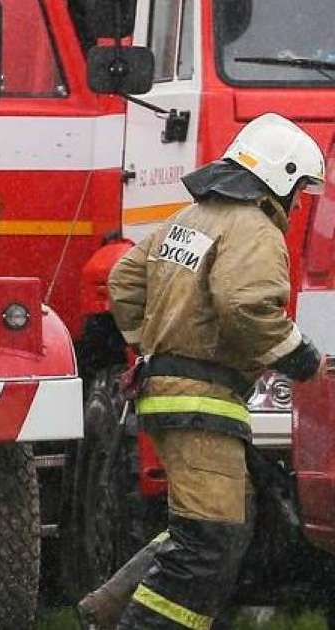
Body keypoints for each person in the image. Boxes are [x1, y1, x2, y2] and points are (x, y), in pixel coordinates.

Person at [78, 112, 326, 629]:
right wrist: (299, 354)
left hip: (169, 396)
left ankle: (106, 606)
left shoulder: (186, 220)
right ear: (279, 175)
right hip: (203, 402)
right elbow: (244, 306)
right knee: (209, 543)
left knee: (210, 524)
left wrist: (149, 345)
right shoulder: (253, 227)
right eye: (299, 189)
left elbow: (124, 280)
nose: (299, 204)